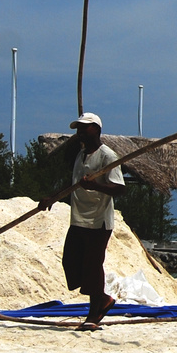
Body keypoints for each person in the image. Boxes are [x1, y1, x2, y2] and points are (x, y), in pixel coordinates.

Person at [42, 113, 126, 329]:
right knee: (70, 262)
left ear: (96, 130)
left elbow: (119, 188)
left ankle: (94, 313)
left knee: (92, 266)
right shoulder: (80, 155)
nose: (79, 131)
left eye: (84, 128)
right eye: (78, 128)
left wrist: (95, 185)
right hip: (78, 218)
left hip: (98, 221)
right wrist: (51, 198)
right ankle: (104, 299)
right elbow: (73, 184)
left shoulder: (108, 156)